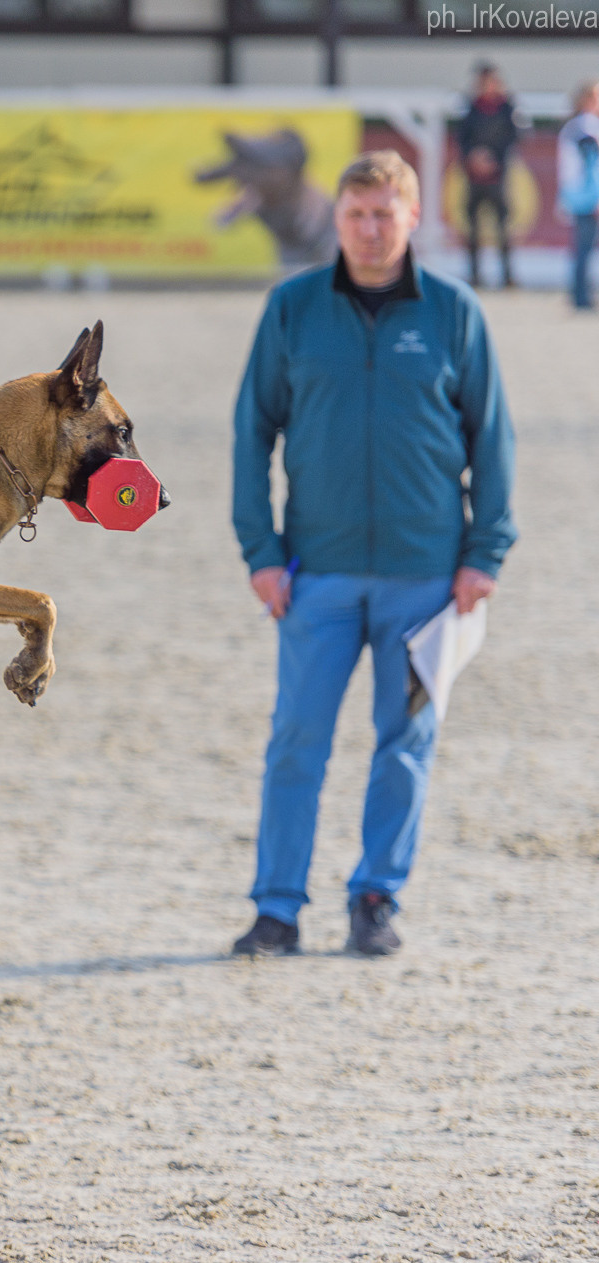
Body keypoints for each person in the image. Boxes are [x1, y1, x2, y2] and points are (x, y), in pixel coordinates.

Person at [229, 150, 517, 959]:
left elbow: (493, 441)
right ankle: (276, 908)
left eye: (383, 214)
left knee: (406, 741)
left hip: (426, 582)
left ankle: (376, 897)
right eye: (355, 213)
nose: (367, 228)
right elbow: (253, 432)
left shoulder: (455, 315)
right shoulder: (292, 308)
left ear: (413, 217)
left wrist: (484, 552)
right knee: (296, 742)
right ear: (339, 218)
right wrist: (261, 548)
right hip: (313, 576)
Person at [456, 62, 526, 289]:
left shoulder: (507, 108)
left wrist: (493, 159)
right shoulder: (471, 107)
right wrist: (474, 157)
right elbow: (461, 138)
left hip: (498, 176)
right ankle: (475, 275)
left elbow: (514, 138)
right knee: (473, 229)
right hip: (474, 177)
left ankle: (507, 276)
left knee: (503, 228)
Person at [558, 79, 599, 310]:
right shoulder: (586, 127)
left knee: (581, 248)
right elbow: (590, 167)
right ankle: (581, 297)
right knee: (584, 248)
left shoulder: (573, 126)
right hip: (587, 197)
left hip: (578, 196)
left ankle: (580, 295)